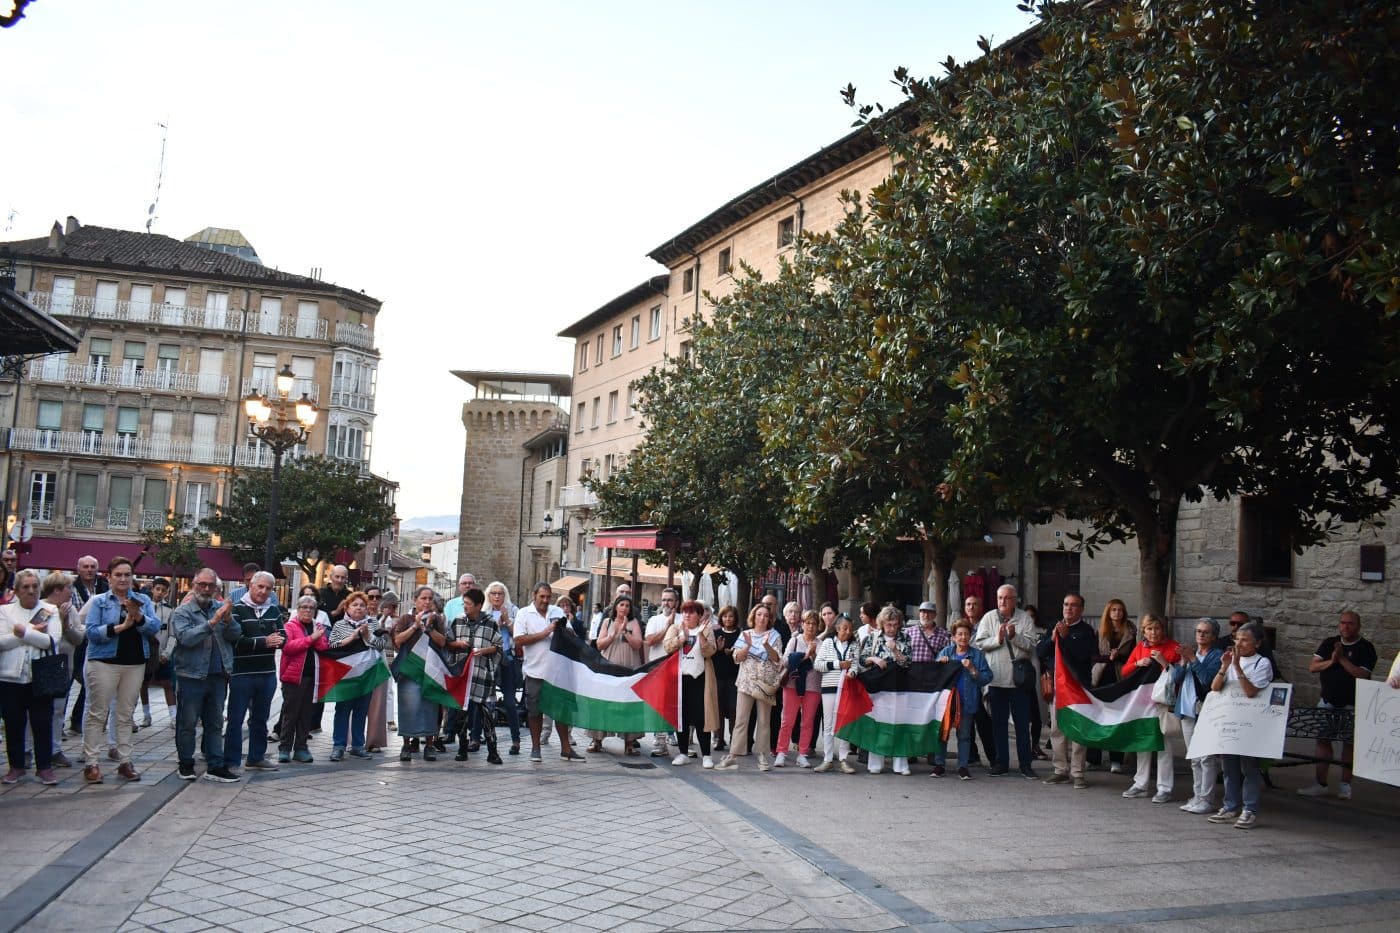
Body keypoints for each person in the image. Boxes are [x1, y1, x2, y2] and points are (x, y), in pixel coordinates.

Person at [80, 557, 158, 783]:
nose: (123, 579)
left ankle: (125, 761)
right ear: (109, 577)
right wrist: (119, 628)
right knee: (98, 712)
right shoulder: (100, 601)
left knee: (125, 714)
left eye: (127, 574)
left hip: (134, 663)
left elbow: (153, 627)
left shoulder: (142, 599)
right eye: (118, 575)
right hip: (104, 661)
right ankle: (91, 763)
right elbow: (92, 632)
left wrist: (138, 615)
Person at [169, 568, 242, 782]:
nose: (206, 589)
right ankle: (186, 763)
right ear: (194, 585)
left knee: (215, 723)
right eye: (202, 584)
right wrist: (212, 622)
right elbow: (185, 638)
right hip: (191, 675)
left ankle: (215, 766)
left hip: (218, 675)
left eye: (211, 585)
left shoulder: (221, 608)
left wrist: (227, 620)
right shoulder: (182, 611)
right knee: (188, 722)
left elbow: (235, 635)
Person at [1297, 610, 1376, 801]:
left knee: (1348, 744)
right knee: (1323, 740)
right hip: (1327, 701)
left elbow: (1361, 674)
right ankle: (1320, 783)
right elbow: (1313, 667)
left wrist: (1341, 659)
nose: (1345, 627)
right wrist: (1332, 660)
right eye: (1342, 623)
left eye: (1350, 623)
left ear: (1358, 626)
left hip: (1352, 704)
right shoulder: (1329, 643)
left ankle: (1345, 785)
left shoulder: (1366, 648)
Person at [1208, 621, 1275, 829]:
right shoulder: (1229, 660)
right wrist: (1224, 667)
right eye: (1238, 639)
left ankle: (1249, 809)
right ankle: (1230, 806)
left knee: (1249, 767)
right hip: (1230, 720)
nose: (1240, 643)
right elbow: (1215, 687)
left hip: (1250, 723)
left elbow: (1250, 692)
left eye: (1245, 640)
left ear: (1257, 643)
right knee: (1229, 767)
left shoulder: (1262, 663)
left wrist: (1236, 666)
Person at [1, 569, 61, 784]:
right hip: (10, 678)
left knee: (42, 722)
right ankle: (16, 766)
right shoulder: (5, 611)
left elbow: (51, 641)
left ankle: (44, 767)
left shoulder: (49, 610)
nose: (31, 591)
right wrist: (33, 631)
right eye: (25, 587)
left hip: (40, 677)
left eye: (35, 586)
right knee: (13, 723)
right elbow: (1, 642)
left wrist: (22, 632)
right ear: (16, 590)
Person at [974, 584, 1040, 779]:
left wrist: (1014, 636)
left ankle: (1025, 764)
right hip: (996, 680)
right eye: (1000, 598)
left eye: (1007, 598)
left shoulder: (1024, 618)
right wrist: (998, 638)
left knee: (1021, 725)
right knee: (999, 725)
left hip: (1019, 682)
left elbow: (1031, 645)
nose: (1003, 601)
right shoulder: (988, 617)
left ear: (1015, 599)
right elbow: (979, 643)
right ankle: (1001, 763)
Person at [1117, 613, 1184, 801]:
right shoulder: (1140, 647)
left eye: (1157, 628)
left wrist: (1164, 662)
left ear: (1163, 630)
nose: (1153, 633)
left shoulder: (1173, 647)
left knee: (1163, 745)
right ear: (1143, 631)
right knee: (1143, 742)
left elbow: (1179, 675)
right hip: (1142, 704)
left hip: (1162, 703)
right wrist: (1138, 663)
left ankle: (1164, 788)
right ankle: (1141, 784)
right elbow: (1124, 671)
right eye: (1149, 629)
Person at [514, 582, 583, 764]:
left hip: (558, 673)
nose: (545, 600)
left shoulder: (557, 612)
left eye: (548, 597)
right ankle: (536, 748)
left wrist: (566, 629)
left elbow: (572, 636)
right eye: (541, 597)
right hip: (534, 671)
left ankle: (566, 749)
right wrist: (546, 632)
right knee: (534, 712)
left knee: (561, 712)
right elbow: (519, 640)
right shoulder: (523, 613)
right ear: (534, 596)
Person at [226, 571, 287, 773]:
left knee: (261, 718)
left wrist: (279, 641)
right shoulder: (237, 609)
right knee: (236, 718)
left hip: (267, 672)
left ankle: (256, 757)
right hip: (242, 673)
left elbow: (283, 634)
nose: (263, 591)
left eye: (268, 588)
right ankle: (232, 761)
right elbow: (235, 640)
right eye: (260, 586)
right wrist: (264, 641)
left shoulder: (274, 610)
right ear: (250, 586)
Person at [1037, 593, 1097, 789]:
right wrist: (1052, 638)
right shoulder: (1055, 626)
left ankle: (1078, 772)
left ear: (1081, 609)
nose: (1068, 608)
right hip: (1057, 687)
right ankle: (1060, 770)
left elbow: (1082, 656)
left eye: (1073, 605)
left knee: (1078, 731)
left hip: (1078, 688)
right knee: (1057, 729)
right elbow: (1040, 653)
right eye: (1066, 604)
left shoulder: (1086, 631)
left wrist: (1065, 638)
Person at [714, 603, 782, 773]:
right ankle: (733, 755)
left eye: (766, 615)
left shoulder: (775, 635)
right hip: (745, 682)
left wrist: (766, 645)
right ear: (754, 616)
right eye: (759, 614)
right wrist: (748, 646)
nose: (762, 618)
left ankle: (762, 756)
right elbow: (736, 657)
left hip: (765, 684)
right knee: (741, 720)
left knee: (764, 720)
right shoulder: (746, 634)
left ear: (769, 618)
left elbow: (776, 659)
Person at [328, 591, 389, 761]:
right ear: (347, 607)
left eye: (362, 605)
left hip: (366, 675)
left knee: (361, 711)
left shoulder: (373, 623)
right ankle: (338, 746)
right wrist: (351, 638)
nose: (359, 608)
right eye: (355, 605)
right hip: (345, 675)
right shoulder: (339, 625)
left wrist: (368, 636)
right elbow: (331, 646)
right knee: (342, 710)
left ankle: (357, 745)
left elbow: (382, 645)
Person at [445, 587, 502, 764]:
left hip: (482, 673)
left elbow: (499, 647)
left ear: (478, 605)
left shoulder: (490, 622)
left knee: (485, 714)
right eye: (464, 603)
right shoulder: (458, 621)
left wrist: (485, 650)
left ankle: (493, 751)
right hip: (463, 675)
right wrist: (458, 644)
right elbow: (448, 643)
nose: (465, 607)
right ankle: (462, 749)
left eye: (468, 604)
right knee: (462, 713)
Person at [392, 586, 449, 761]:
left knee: (430, 707)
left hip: (430, 669)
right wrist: (416, 626)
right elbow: (398, 640)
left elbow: (443, 642)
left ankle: (430, 745)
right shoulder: (405, 618)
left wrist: (430, 628)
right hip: (409, 668)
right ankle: (406, 744)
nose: (427, 602)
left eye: (430, 598)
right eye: (423, 598)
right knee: (408, 707)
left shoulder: (437, 619)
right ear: (415, 600)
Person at [1174, 617, 1224, 814]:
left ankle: (1208, 799)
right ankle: (1197, 796)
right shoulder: (1191, 653)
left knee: (1206, 757)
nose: (1201, 635)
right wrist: (1184, 661)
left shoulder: (1216, 655)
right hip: (1186, 709)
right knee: (1194, 757)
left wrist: (1193, 660)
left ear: (1214, 636)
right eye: (1198, 631)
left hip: (1204, 711)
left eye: (1206, 632)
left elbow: (1207, 680)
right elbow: (1176, 678)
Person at [856, 606, 914, 775]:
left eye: (895, 624)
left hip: (899, 686)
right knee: (878, 723)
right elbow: (861, 660)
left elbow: (908, 663)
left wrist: (895, 650)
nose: (892, 628)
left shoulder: (905, 637)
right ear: (882, 623)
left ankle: (900, 764)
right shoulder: (872, 637)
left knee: (899, 723)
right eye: (888, 624)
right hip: (878, 685)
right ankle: (876, 762)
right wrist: (874, 658)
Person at [935, 619, 993, 780]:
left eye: (966, 634)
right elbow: (934, 673)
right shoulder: (946, 652)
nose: (963, 637)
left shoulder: (976, 655)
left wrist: (973, 669)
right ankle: (939, 765)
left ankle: (963, 766)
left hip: (967, 700)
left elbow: (987, 677)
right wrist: (940, 663)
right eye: (959, 634)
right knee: (943, 733)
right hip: (947, 701)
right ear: (953, 637)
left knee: (965, 735)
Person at [664, 599, 718, 768]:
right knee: (682, 718)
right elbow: (667, 647)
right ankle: (682, 753)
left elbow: (710, 651)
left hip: (700, 679)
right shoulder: (675, 628)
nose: (687, 614)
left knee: (702, 718)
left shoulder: (706, 629)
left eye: (692, 612)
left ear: (699, 615)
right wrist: (682, 638)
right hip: (679, 679)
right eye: (685, 611)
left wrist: (700, 635)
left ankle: (706, 755)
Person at [589, 595, 644, 755]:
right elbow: (599, 645)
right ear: (615, 607)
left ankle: (629, 743)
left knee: (628, 705)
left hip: (629, 669)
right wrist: (613, 634)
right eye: (622, 604)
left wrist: (625, 631)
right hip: (608, 669)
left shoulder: (634, 623)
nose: (624, 608)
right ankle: (596, 740)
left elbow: (638, 645)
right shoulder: (607, 622)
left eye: (627, 605)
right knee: (603, 703)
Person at [278, 595, 329, 763]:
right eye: (304, 607)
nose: (307, 610)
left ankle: (300, 748)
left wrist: (317, 637)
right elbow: (289, 648)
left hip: (312, 677)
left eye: (311, 608)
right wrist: (311, 638)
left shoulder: (317, 625)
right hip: (293, 678)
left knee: (306, 714)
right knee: (290, 714)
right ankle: (284, 748)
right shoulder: (290, 626)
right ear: (297, 609)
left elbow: (323, 646)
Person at [1091, 598, 1136, 773]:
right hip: (1101, 678)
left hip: (1120, 678)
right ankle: (1093, 758)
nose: (1117, 613)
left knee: (1116, 720)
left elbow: (1134, 656)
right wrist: (1107, 658)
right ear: (1108, 613)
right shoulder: (1100, 631)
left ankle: (1115, 760)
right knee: (1097, 719)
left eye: (1120, 610)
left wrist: (1119, 657)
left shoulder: (1131, 632)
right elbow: (1093, 656)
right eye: (1114, 610)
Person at [775, 609, 823, 768]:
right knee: (787, 720)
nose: (810, 626)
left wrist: (814, 654)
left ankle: (802, 754)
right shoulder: (795, 640)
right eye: (807, 623)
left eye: (814, 624)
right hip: (792, 685)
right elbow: (786, 661)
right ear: (802, 624)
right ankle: (781, 752)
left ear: (818, 626)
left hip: (813, 686)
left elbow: (821, 667)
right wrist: (805, 655)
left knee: (807, 722)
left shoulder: (821, 644)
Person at [67, 554, 107, 735]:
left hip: (98, 639)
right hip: (76, 639)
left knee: (89, 682)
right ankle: (63, 724)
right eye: (86, 567)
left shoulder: (104, 586)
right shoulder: (72, 587)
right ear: (78, 569)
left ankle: (78, 720)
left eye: (92, 566)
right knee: (70, 680)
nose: (89, 570)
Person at [814, 614, 859, 774]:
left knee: (845, 723)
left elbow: (855, 665)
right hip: (829, 687)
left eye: (850, 629)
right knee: (829, 723)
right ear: (837, 628)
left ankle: (844, 759)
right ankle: (827, 759)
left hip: (846, 689)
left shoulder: (854, 645)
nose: (847, 631)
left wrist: (852, 673)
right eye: (844, 628)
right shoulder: (827, 643)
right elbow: (817, 665)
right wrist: (838, 664)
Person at [483, 581, 522, 754]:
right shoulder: (484, 612)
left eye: (500, 593)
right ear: (488, 596)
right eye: (494, 593)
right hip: (488, 658)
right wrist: (496, 624)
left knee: (509, 701)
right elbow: (483, 635)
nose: (497, 596)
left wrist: (507, 621)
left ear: (505, 595)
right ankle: (476, 738)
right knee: (481, 700)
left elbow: (519, 635)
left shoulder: (513, 610)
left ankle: (516, 741)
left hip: (507, 657)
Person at [644, 588, 679, 758]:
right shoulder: (654, 619)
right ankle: (659, 741)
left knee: (676, 705)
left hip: (678, 670)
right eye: (664, 600)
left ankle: (682, 741)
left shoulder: (683, 619)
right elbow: (650, 641)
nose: (666, 603)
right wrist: (667, 627)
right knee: (658, 706)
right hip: (657, 667)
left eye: (670, 600)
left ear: (676, 603)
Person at [711, 605, 742, 752]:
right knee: (718, 709)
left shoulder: (741, 634)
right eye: (725, 616)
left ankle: (734, 739)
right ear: (721, 618)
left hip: (735, 677)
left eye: (730, 616)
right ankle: (718, 739)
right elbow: (709, 654)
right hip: (717, 676)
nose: (728, 619)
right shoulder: (715, 632)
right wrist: (718, 649)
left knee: (733, 709)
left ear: (735, 617)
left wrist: (734, 652)